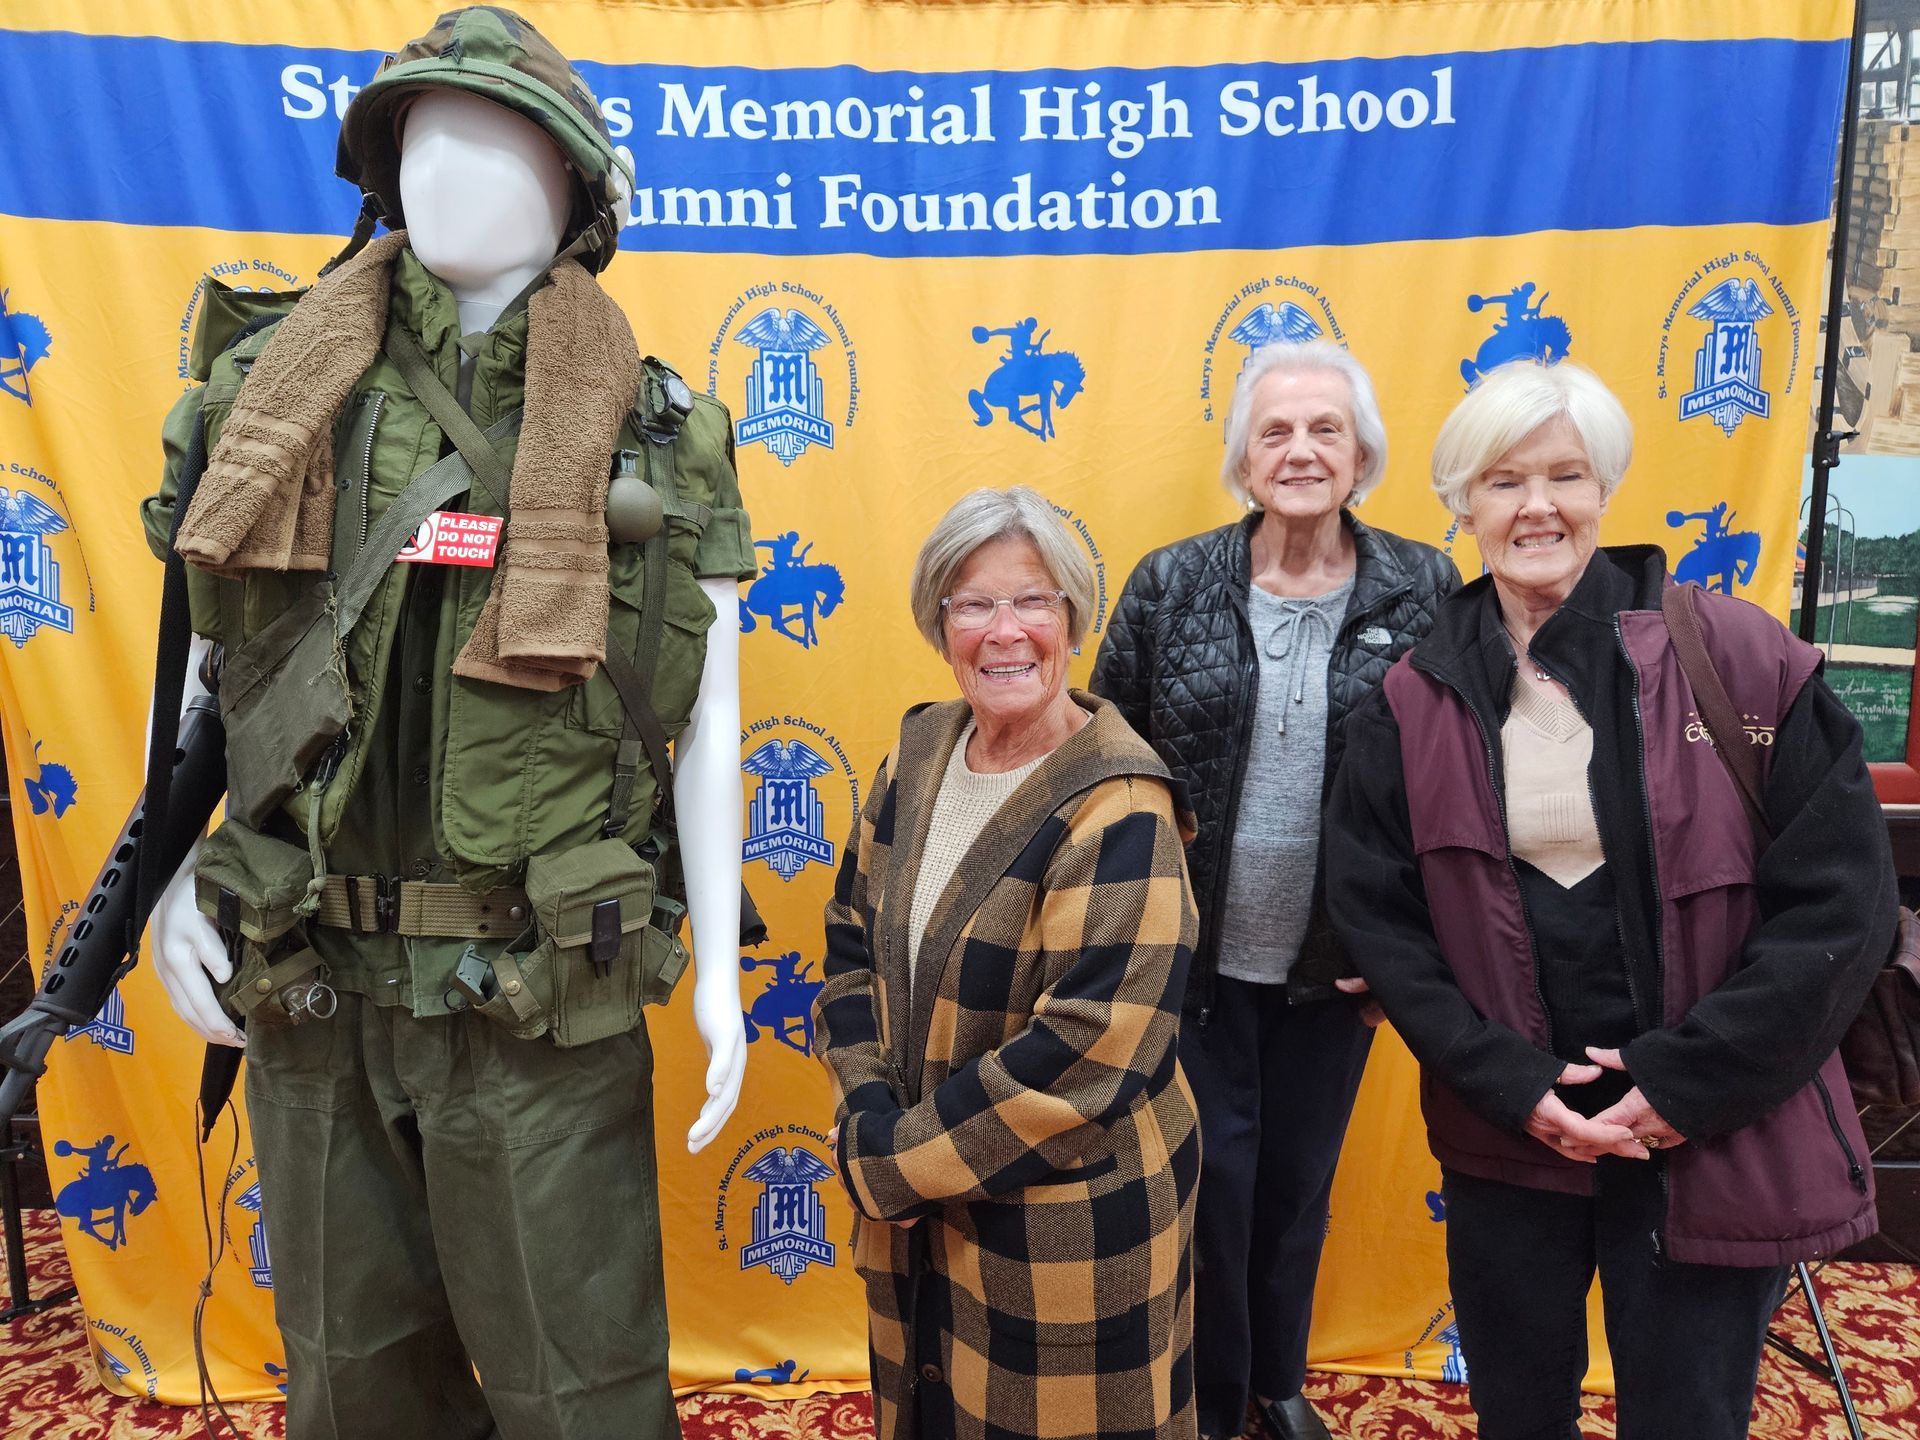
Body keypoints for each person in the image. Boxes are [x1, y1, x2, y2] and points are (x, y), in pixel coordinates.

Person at [138, 11, 755, 1437]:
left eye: (494, 141)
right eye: (421, 140)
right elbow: (208, 673)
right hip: (312, 970)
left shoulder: (658, 435)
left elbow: (709, 720)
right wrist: (168, 882)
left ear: (576, 191)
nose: (446, 174)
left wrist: (719, 970)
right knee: (352, 1380)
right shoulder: (267, 401)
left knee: (577, 1380)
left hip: (535, 989)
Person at [1325, 359, 1895, 1440]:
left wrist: (1688, 1083)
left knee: (1687, 1415)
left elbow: (1844, 905)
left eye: (1565, 476)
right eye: (1502, 481)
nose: (1536, 506)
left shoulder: (1741, 659)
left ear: (1605, 490)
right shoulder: (1410, 700)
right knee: (1520, 1414)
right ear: (1460, 504)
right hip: (1515, 1135)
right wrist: (1509, 1083)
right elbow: (1380, 919)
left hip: (1703, 1131)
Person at [1092, 340, 1458, 1440]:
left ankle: (1277, 1383)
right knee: (1212, 1188)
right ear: (1243, 462)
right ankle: (1207, 1399)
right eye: (1277, 432)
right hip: (1191, 956)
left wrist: (1411, 952)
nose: (1301, 450)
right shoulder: (1171, 581)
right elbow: (1109, 755)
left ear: (1363, 457)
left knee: (1297, 1187)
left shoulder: (1424, 585)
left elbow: (1452, 787)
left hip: (1333, 964)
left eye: (1326, 430)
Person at [813, 486, 1201, 1440]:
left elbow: (1089, 1054)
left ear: (1073, 619)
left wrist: (891, 1169)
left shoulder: (1123, 804)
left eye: (1033, 600)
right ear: (939, 624)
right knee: (933, 1408)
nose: (1005, 631)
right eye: (972, 603)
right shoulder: (922, 749)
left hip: (1069, 1215)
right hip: (918, 1195)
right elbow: (850, 943)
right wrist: (865, 1109)